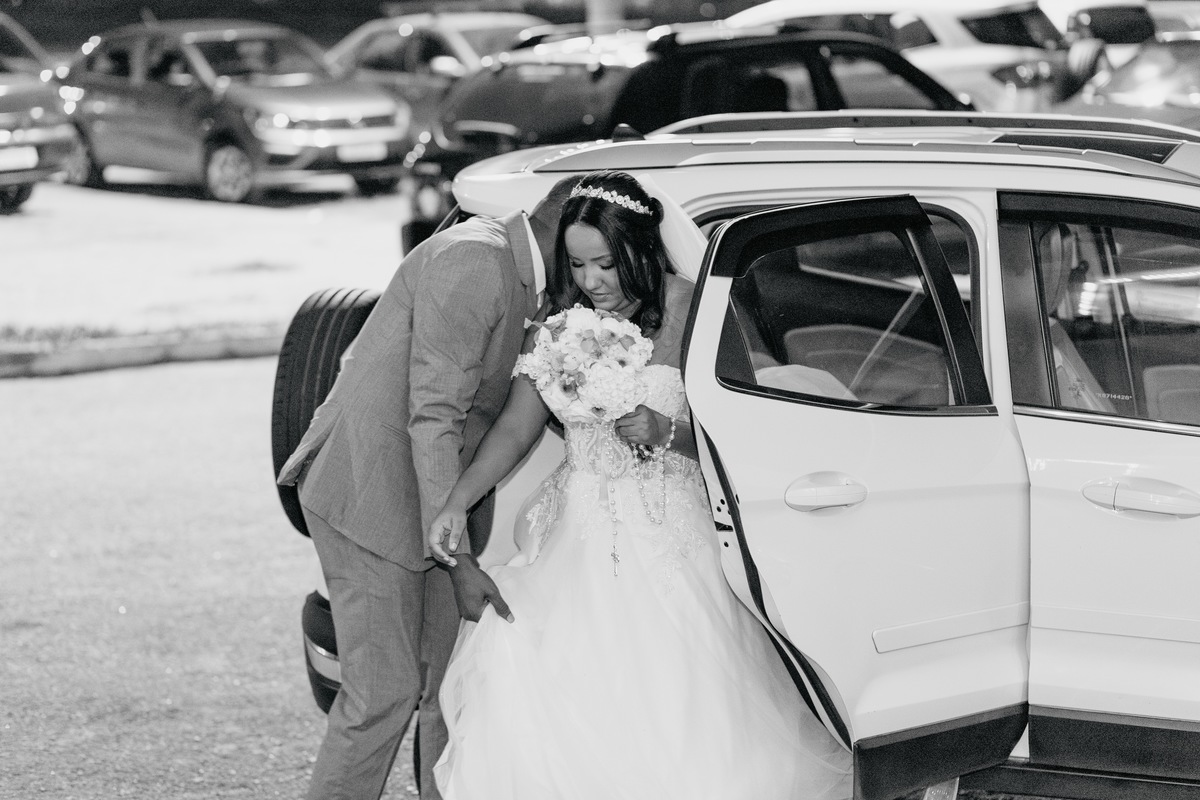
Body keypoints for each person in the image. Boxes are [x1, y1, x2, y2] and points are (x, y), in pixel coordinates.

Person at [426, 170, 854, 799]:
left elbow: (745, 431)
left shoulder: (694, 309)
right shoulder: (558, 325)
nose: (592, 282)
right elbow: (517, 429)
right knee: (549, 681)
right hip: (579, 535)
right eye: (577, 265)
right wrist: (456, 503)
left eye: (605, 263)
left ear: (642, 249)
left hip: (675, 535)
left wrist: (669, 431)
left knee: (687, 704)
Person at [276, 174, 579, 800]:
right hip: (371, 493)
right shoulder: (477, 259)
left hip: (432, 499)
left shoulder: (529, 278)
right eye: (588, 255)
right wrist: (460, 558)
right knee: (380, 694)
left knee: (453, 687)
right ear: (563, 229)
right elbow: (435, 411)